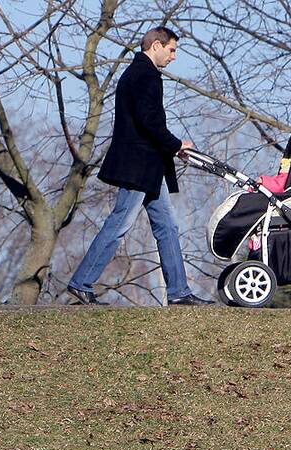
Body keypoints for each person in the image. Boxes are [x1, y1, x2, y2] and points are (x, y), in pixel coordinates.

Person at [66, 26, 212, 306]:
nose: (173, 57)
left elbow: (148, 123)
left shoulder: (139, 73)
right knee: (120, 222)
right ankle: (81, 282)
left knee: (167, 227)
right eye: (171, 50)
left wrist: (170, 148)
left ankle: (179, 292)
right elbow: (149, 121)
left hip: (150, 167)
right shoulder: (145, 75)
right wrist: (176, 144)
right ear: (156, 45)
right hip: (138, 166)